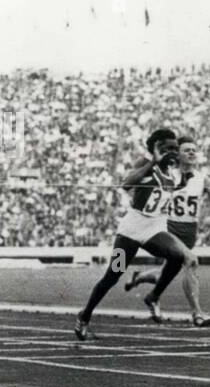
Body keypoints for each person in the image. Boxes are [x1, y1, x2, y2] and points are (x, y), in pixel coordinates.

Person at [75, 128, 190, 340]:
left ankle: (153, 296)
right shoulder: (146, 165)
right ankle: (85, 314)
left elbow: (174, 187)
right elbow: (127, 184)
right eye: (167, 148)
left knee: (178, 256)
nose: (172, 152)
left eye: (175, 148)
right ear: (156, 149)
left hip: (154, 229)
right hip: (130, 231)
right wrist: (153, 162)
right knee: (113, 275)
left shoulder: (174, 171)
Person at [124, 137, 210, 326]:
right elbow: (143, 190)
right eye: (187, 150)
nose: (192, 153)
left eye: (194, 150)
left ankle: (143, 282)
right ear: (177, 154)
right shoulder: (168, 174)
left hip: (188, 231)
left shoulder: (202, 178)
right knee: (190, 261)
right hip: (168, 227)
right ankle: (197, 313)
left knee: (168, 273)